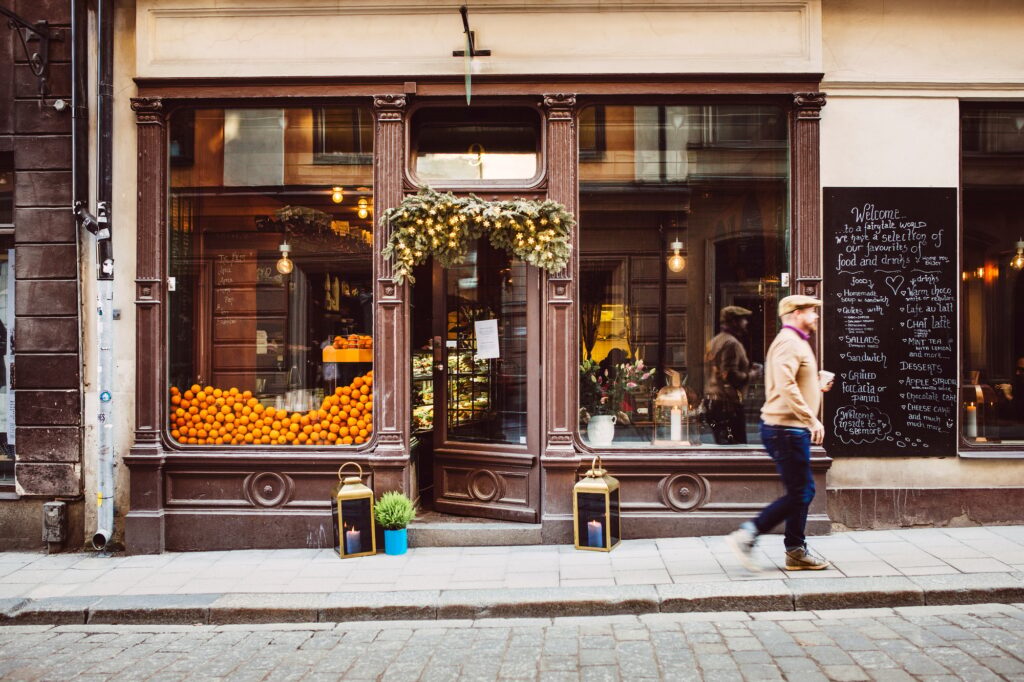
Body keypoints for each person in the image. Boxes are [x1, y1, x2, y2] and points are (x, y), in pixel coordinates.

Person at [725, 294, 833, 571]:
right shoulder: (788, 342)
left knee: (802, 490)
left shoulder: (797, 342)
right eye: (812, 311)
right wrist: (812, 419)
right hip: (784, 429)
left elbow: (793, 382)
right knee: (802, 491)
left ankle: (795, 550)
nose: (817, 315)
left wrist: (816, 385)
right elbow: (785, 386)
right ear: (797, 313)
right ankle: (747, 535)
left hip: (790, 428)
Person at [704, 306, 760, 444]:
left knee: (724, 449)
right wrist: (753, 374)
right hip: (728, 404)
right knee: (737, 450)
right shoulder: (731, 343)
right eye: (743, 319)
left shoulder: (716, 340)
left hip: (715, 400)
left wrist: (746, 368)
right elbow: (730, 375)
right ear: (734, 322)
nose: (746, 323)